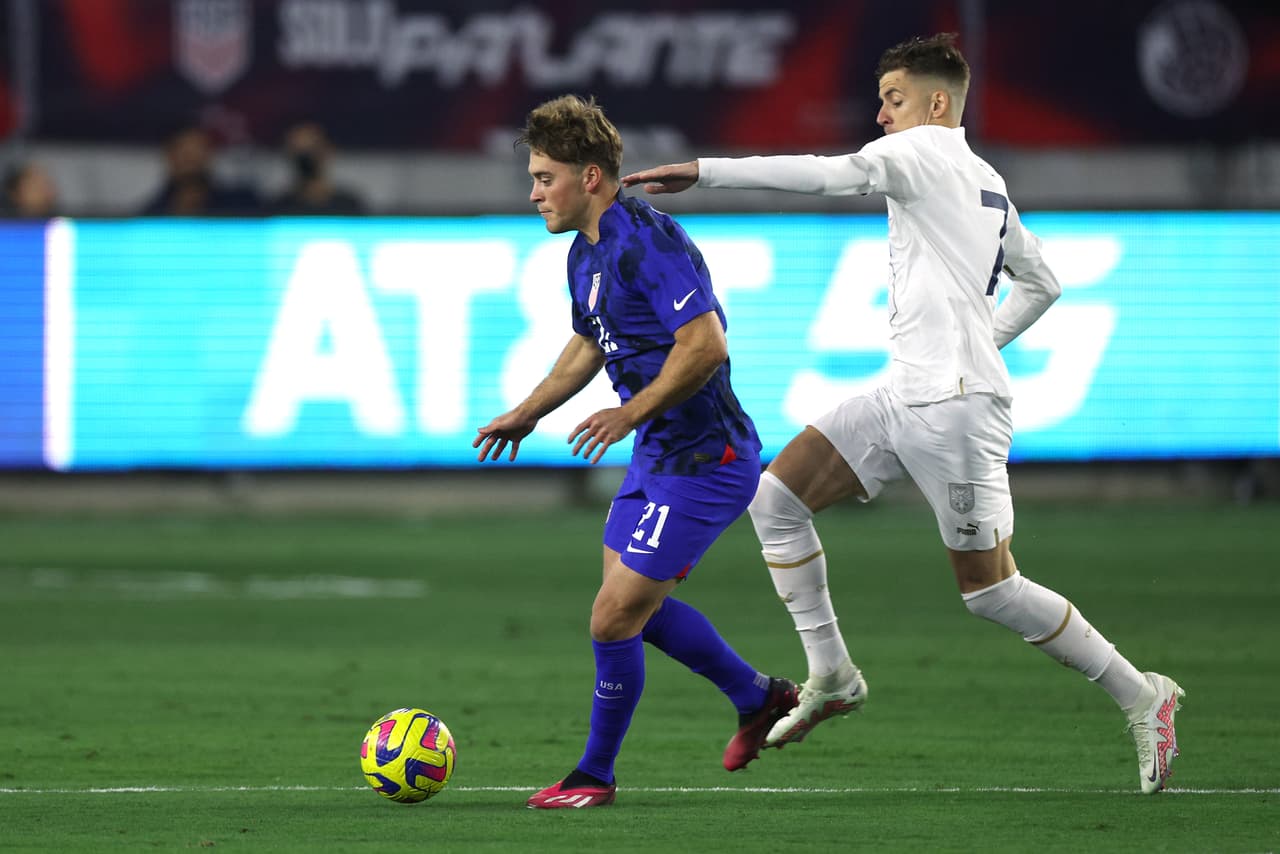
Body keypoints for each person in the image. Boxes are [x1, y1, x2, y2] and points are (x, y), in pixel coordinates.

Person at [622, 33, 1185, 795]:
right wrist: (976, 339)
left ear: (937, 103)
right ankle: (833, 675)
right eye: (882, 101)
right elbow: (1043, 282)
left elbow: (832, 175)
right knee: (776, 497)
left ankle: (1142, 694)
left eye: (893, 99)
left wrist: (705, 170)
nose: (881, 114)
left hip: (957, 411)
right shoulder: (986, 181)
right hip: (908, 392)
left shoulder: (919, 152)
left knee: (991, 590)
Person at [475, 94, 797, 809]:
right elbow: (589, 343)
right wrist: (528, 413)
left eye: (545, 178)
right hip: (659, 453)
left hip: (707, 460)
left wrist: (627, 412)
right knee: (630, 612)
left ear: (589, 177)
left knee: (613, 617)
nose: (534, 194)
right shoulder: (584, 253)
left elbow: (705, 345)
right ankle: (759, 697)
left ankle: (594, 775)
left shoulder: (646, 240)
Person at [139, 125, 259, 215]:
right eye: (184, 153)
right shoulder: (149, 217)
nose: (191, 160)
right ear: (169, 156)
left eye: (198, 151)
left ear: (210, 155)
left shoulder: (244, 204)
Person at [267, 121, 365, 215]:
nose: (305, 157)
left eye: (312, 149)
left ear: (328, 150)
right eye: (299, 151)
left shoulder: (349, 206)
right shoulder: (276, 210)